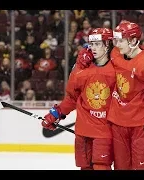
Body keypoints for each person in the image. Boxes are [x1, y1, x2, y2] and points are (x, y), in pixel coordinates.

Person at [77, 20, 144, 170]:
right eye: (116, 40)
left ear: (133, 41)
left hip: (141, 124)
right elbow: (102, 43)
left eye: (121, 40)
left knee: (143, 167)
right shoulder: (116, 53)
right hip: (118, 123)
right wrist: (86, 51)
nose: (117, 44)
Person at [41, 28, 116, 170]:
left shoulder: (117, 68)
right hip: (83, 130)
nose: (93, 48)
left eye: (97, 44)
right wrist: (56, 114)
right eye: (91, 44)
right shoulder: (82, 68)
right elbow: (71, 98)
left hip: (104, 131)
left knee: (101, 166)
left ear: (107, 45)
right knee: (84, 167)